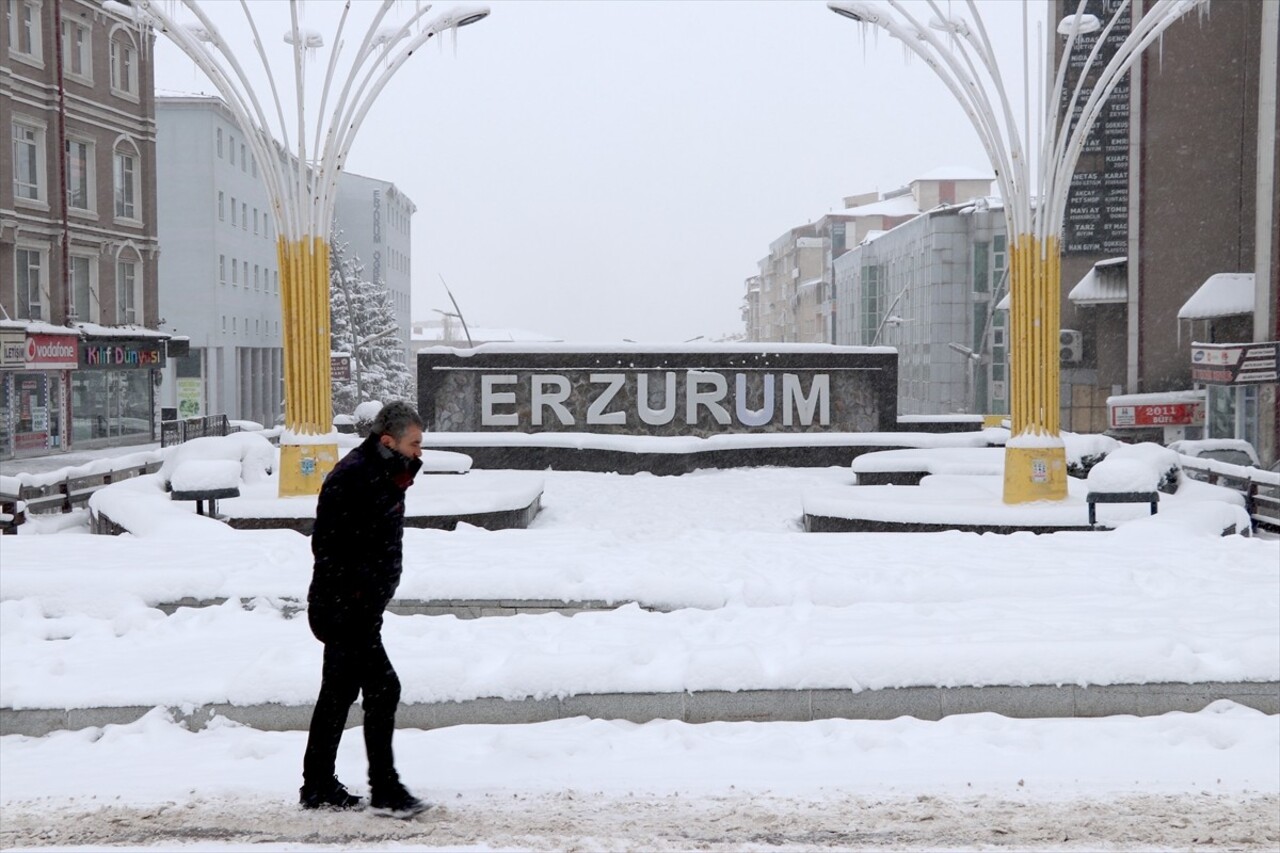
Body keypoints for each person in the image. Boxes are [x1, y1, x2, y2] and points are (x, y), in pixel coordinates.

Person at [300, 400, 427, 818]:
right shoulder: (356, 476)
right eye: (414, 444)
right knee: (384, 687)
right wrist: (357, 597)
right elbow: (329, 546)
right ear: (388, 441)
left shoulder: (385, 472)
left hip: (357, 609)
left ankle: (317, 785)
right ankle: (385, 789)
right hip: (344, 611)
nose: (419, 453)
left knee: (338, 693)